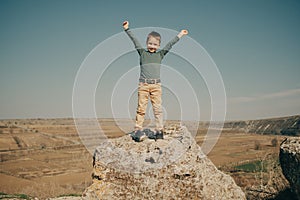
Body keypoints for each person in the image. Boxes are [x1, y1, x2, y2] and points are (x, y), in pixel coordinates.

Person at [123, 20, 188, 142]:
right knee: (141, 108)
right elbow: (134, 40)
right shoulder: (142, 53)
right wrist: (127, 29)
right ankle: (137, 130)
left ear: (158, 45)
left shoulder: (160, 55)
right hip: (143, 85)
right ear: (147, 43)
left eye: (155, 44)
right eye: (150, 43)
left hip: (156, 85)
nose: (152, 46)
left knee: (157, 109)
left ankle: (159, 130)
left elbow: (170, 44)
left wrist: (180, 35)